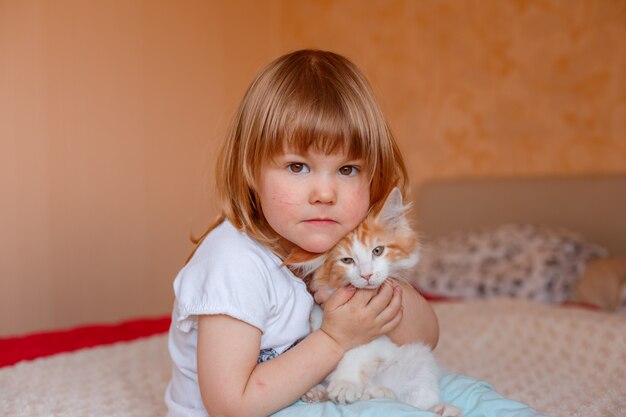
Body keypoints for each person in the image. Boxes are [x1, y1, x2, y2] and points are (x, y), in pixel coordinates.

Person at [164, 49, 439, 417]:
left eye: (347, 170)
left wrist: (376, 289)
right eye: (297, 166)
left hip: (311, 397)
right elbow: (231, 406)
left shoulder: (346, 242)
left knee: (467, 395)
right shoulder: (233, 262)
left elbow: (425, 338)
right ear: (250, 171)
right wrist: (335, 337)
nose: (324, 195)